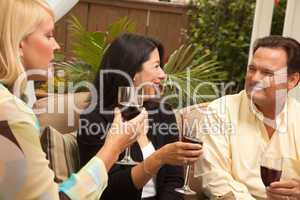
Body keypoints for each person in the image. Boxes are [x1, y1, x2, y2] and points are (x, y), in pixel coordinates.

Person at [0, 0, 148, 199]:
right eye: (49, 35)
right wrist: (114, 146)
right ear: (18, 42)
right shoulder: (11, 114)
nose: (57, 45)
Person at [77, 33, 203, 200]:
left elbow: (174, 181)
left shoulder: (163, 114)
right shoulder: (94, 120)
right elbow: (108, 190)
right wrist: (159, 157)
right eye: (156, 66)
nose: (163, 75)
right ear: (132, 73)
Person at [195, 35, 300, 200]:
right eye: (252, 69)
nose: (255, 78)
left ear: (292, 80)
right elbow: (214, 179)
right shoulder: (221, 111)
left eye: (267, 72)